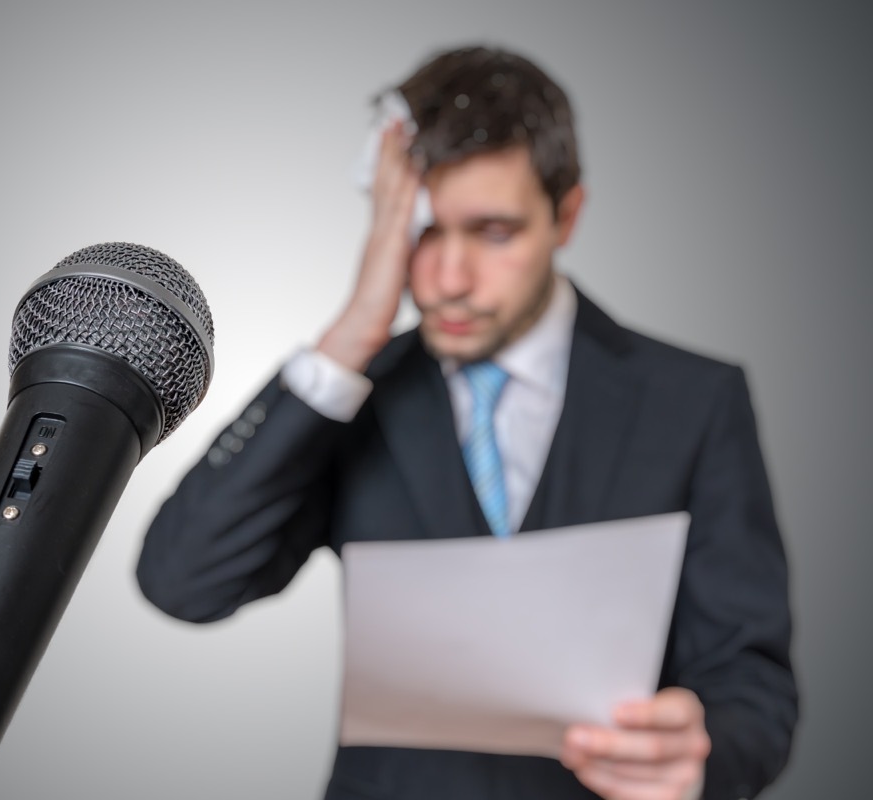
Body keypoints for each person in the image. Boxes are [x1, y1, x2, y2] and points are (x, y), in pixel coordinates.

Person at [136, 45, 797, 800]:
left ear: (567, 215)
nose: (448, 280)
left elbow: (755, 690)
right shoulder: (355, 395)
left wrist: (700, 756)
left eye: (492, 232)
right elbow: (182, 580)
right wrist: (350, 336)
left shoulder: (694, 400)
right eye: (423, 231)